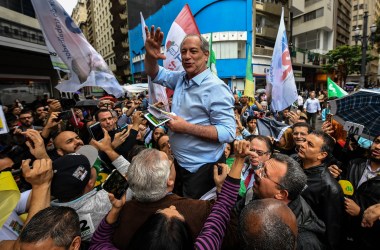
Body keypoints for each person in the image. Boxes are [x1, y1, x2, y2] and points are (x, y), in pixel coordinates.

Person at [90, 140, 248, 250]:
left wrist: (115, 211)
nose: (171, 208)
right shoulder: (199, 210)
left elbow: (97, 243)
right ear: (169, 181)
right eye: (170, 162)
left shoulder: (121, 216)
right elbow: (224, 217)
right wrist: (236, 165)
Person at [144, 26, 235, 198]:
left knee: (195, 216)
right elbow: (154, 72)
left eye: (193, 51)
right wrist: (150, 55)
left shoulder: (217, 88)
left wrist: (185, 127)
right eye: (183, 52)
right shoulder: (180, 78)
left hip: (202, 169)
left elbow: (229, 132)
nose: (187, 57)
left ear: (206, 55)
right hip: (180, 164)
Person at [250, 153, 326, 249]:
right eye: (262, 166)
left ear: (281, 194)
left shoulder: (304, 242)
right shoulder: (258, 192)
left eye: (264, 173)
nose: (257, 172)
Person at [296, 131, 344, 249]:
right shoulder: (293, 165)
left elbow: (332, 232)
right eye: (305, 141)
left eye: (310, 144)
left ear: (322, 155)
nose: (302, 144)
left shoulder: (329, 187)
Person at [339, 135, 380, 249]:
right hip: (341, 229)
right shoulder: (354, 163)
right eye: (377, 141)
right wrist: (333, 174)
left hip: (367, 239)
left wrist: (360, 213)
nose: (378, 147)